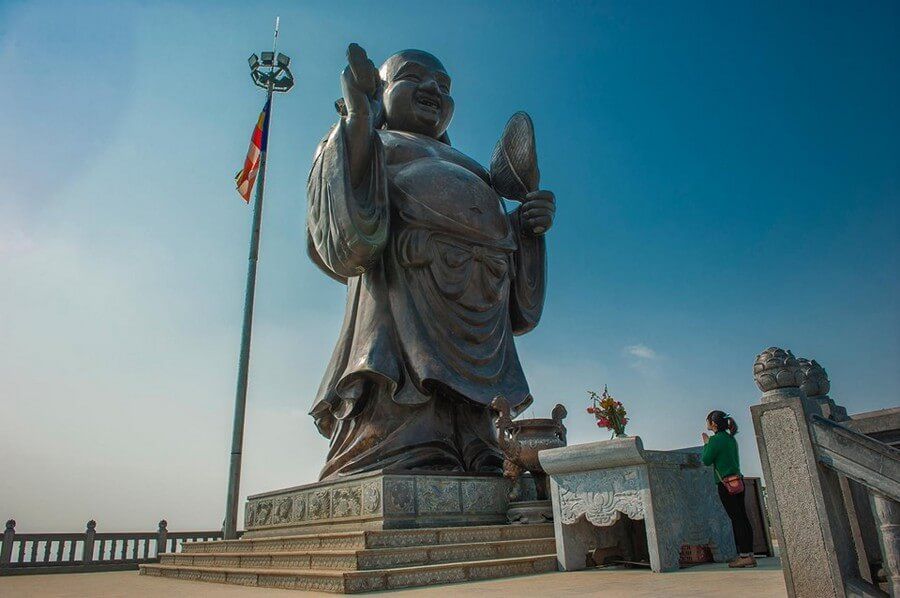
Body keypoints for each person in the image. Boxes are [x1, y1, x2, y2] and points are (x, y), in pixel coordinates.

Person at [306, 44, 556, 479]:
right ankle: (398, 447)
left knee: (476, 415)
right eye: (413, 77)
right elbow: (342, 208)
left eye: (444, 86)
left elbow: (499, 230)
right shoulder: (372, 138)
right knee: (408, 399)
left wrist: (526, 228)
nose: (432, 89)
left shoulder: (472, 165)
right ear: (382, 91)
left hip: (480, 285)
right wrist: (360, 114)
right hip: (407, 277)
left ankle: (476, 448)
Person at [701, 410, 757, 568]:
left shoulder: (715, 440)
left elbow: (706, 460)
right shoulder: (731, 439)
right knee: (743, 518)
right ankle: (750, 554)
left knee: (736, 519)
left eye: (708, 421)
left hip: (725, 485)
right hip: (738, 481)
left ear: (714, 424)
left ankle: (744, 556)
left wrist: (706, 444)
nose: (707, 423)